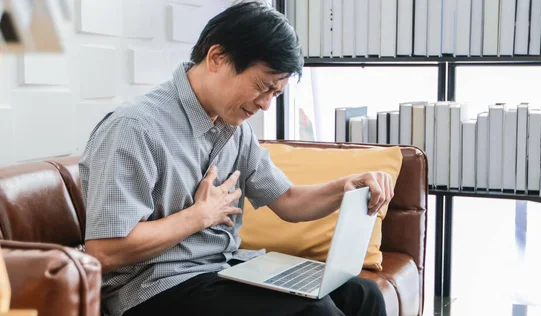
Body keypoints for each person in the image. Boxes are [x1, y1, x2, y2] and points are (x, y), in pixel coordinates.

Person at [80, 2, 393, 316]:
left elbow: (288, 200)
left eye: (276, 93)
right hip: (152, 290)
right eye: (262, 86)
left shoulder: (234, 127)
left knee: (363, 295)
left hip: (218, 270)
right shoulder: (135, 127)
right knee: (315, 313)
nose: (266, 105)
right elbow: (104, 251)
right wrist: (199, 216)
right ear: (217, 58)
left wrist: (346, 187)